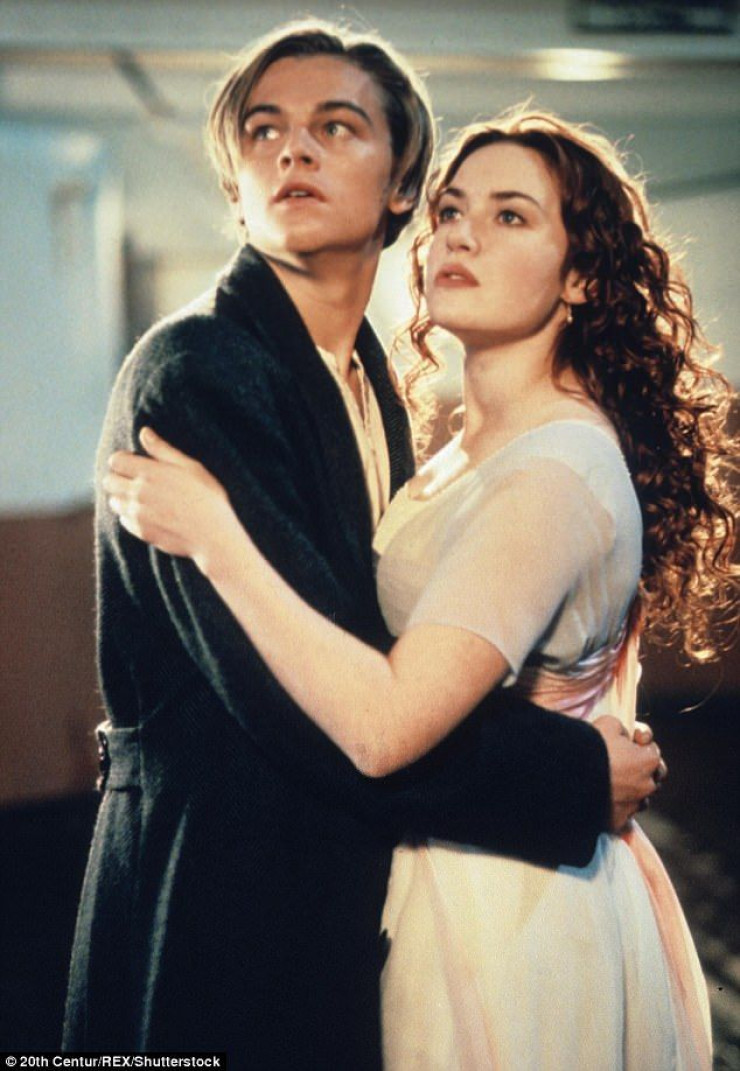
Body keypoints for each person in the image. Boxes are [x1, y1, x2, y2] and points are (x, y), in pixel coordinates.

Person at [64, 19, 664, 1068]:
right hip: (218, 905)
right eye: (263, 131)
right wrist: (565, 774)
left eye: (335, 126)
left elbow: (378, 665)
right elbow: (310, 711)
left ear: (398, 189)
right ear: (234, 189)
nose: (291, 148)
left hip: (342, 897)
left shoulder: (373, 382)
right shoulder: (198, 371)